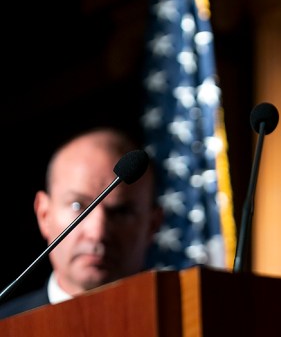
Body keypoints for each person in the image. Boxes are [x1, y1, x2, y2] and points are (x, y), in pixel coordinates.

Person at [0, 127, 161, 319]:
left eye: (121, 212)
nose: (97, 232)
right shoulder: (6, 326)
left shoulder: (188, 322)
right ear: (44, 215)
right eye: (78, 206)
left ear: (152, 225)